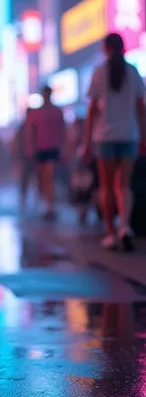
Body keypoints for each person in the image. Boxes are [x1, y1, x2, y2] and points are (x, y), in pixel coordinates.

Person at [83, 33, 146, 251]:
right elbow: (141, 106)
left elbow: (92, 110)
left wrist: (86, 142)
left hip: (105, 137)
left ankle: (110, 232)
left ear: (106, 49)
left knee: (107, 185)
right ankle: (125, 227)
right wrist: (143, 135)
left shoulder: (99, 72)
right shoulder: (133, 71)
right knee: (125, 185)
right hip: (130, 134)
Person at [27, 86, 65, 219]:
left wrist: (64, 147)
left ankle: (49, 206)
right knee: (41, 179)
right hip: (40, 149)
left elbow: (63, 130)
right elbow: (31, 131)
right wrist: (30, 147)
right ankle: (45, 204)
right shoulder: (36, 113)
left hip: (52, 148)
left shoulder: (57, 111)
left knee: (49, 177)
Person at [12, 107, 34, 211]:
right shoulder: (23, 127)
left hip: (32, 157)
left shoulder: (31, 126)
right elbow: (16, 142)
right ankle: (24, 198)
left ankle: (31, 199)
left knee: (30, 178)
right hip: (26, 157)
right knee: (25, 179)